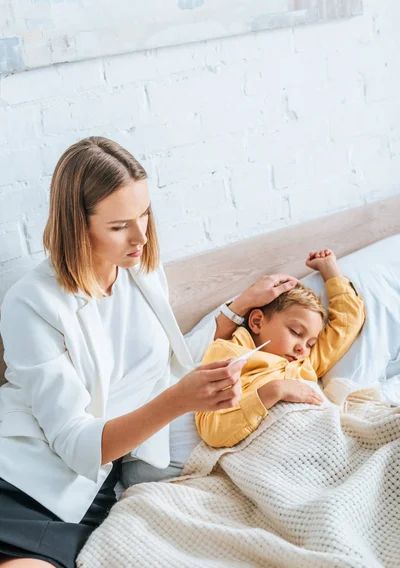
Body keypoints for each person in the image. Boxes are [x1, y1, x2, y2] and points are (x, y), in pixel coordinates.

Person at [0, 136, 299, 568]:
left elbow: (169, 363)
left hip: (91, 487)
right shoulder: (31, 303)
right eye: (120, 226)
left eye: (144, 215)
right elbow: (73, 443)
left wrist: (236, 309)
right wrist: (178, 402)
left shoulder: (139, 270)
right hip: (25, 477)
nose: (141, 236)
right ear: (76, 225)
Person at [196, 249, 366, 448]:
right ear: (258, 321)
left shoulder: (305, 362)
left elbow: (348, 321)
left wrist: (329, 268)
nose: (303, 348)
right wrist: (274, 391)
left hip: (324, 438)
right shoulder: (229, 356)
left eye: (311, 343)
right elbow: (212, 430)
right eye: (295, 332)